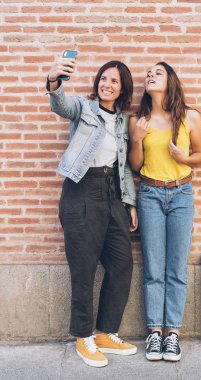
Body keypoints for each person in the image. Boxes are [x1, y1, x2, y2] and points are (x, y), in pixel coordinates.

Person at [46, 54, 138, 368]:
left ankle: (104, 332)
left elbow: (124, 168)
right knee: (83, 270)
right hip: (81, 190)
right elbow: (61, 105)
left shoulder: (124, 121)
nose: (107, 84)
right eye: (103, 78)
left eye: (114, 80)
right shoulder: (84, 109)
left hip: (112, 193)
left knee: (122, 264)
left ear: (123, 88)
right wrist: (54, 80)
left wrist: (129, 202)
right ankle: (82, 337)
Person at [129, 62, 201, 362]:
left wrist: (183, 156)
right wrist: (136, 140)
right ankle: (154, 334)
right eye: (148, 73)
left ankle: (172, 334)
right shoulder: (140, 120)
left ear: (170, 80)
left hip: (181, 194)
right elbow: (135, 165)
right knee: (153, 268)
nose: (150, 75)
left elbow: (200, 155)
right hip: (149, 194)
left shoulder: (189, 117)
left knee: (175, 268)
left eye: (157, 72)